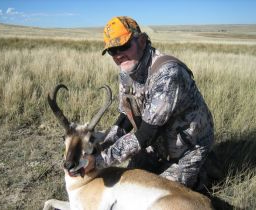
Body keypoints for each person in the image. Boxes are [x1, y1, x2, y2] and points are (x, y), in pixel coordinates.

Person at [84, 16, 214, 190]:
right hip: (158, 144)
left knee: (157, 192)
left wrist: (100, 160)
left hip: (188, 148)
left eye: (124, 46)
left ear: (142, 41)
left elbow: (146, 134)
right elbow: (126, 115)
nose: (119, 55)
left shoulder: (168, 73)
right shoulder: (126, 71)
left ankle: (202, 174)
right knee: (130, 182)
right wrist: (103, 145)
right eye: (112, 51)